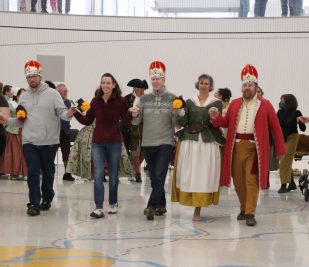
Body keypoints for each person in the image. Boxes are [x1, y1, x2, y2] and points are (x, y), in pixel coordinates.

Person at [209, 64, 286, 226]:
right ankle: (244, 208)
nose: (247, 88)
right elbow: (225, 122)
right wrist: (216, 117)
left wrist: (280, 148)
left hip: (255, 149)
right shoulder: (235, 103)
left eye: (250, 85)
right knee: (238, 180)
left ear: (255, 86)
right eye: (244, 85)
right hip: (236, 147)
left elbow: (276, 127)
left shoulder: (266, 104)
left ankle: (250, 212)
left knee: (251, 179)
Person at [2, 60, 75, 216]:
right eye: (29, 77)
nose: (31, 80)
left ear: (40, 76)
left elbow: (63, 114)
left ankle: (47, 197)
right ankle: (34, 203)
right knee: (33, 172)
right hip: (29, 141)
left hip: (49, 142)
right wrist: (6, 121)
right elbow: (21, 120)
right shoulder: (24, 97)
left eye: (34, 76)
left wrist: (69, 114)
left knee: (48, 173)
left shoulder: (53, 94)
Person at [73, 73, 132, 219]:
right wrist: (75, 113)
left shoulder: (120, 101)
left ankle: (112, 203)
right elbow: (88, 121)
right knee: (98, 174)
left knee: (113, 175)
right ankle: (98, 207)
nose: (105, 85)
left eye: (108, 83)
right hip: (98, 142)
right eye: (103, 83)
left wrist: (133, 114)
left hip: (114, 142)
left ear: (114, 85)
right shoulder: (95, 101)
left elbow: (126, 121)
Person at [172, 74, 225, 221]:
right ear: (198, 84)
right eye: (201, 82)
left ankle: (198, 208)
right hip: (190, 141)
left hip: (207, 142)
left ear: (210, 86)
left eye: (206, 83)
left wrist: (214, 116)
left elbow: (217, 123)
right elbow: (184, 121)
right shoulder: (189, 101)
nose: (203, 85)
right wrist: (179, 111)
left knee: (203, 174)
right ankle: (189, 200)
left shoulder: (216, 102)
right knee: (190, 173)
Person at [130, 61, 176, 220]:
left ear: (164, 80)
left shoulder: (173, 98)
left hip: (165, 142)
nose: (155, 81)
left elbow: (177, 123)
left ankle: (150, 206)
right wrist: (135, 115)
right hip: (147, 143)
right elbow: (135, 123)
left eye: (159, 78)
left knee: (160, 174)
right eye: (153, 78)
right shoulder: (143, 99)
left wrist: (175, 113)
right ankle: (161, 205)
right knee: (155, 177)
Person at [277, 94, 305, 193]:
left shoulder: (297, 112)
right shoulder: (279, 113)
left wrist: (301, 121)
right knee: (286, 161)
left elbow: (303, 129)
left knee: (284, 161)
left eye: (282, 100)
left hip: (292, 137)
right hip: (282, 138)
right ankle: (292, 183)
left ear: (288, 101)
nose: (280, 101)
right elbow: (277, 127)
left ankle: (283, 184)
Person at [123, 79, 148, 183]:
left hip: (146, 129)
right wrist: (130, 112)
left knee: (144, 152)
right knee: (135, 151)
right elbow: (123, 113)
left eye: (144, 89)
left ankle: (134, 169)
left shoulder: (147, 99)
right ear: (136, 89)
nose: (143, 91)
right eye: (141, 89)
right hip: (132, 129)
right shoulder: (127, 99)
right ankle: (138, 173)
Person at [0, 85, 27, 180]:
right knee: (14, 153)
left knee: (23, 153)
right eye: (22, 94)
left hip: (23, 131)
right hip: (13, 131)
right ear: (17, 95)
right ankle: (14, 172)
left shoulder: (25, 104)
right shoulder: (11, 103)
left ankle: (22, 172)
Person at [57, 83, 76, 181]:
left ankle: (67, 173)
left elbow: (69, 116)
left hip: (65, 131)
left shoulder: (69, 102)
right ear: (59, 92)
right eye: (64, 91)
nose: (66, 93)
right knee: (51, 152)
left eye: (66, 91)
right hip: (55, 131)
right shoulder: (54, 102)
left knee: (66, 152)